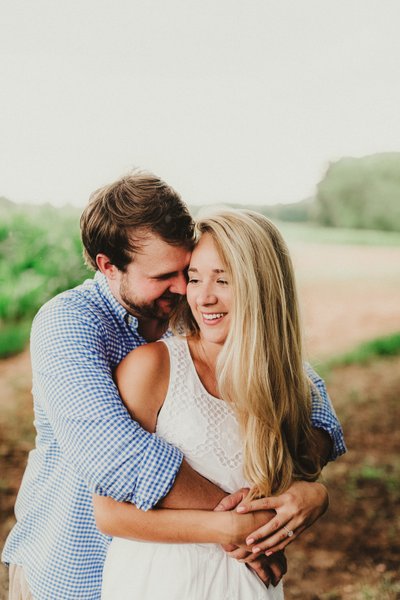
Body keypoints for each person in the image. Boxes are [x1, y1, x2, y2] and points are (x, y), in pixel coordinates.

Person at [2, 171, 346, 600]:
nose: (185, 288)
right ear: (109, 266)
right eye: (166, 274)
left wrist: (310, 492)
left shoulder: (186, 311)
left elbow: (295, 385)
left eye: (188, 269)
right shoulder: (70, 323)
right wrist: (244, 526)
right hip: (71, 568)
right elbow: (120, 459)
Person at [94, 208, 339, 599]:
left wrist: (314, 494)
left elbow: (296, 477)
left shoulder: (294, 386)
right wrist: (227, 528)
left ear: (262, 286)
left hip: (248, 587)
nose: (203, 296)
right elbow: (109, 514)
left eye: (222, 280)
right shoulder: (153, 367)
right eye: (194, 278)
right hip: (159, 583)